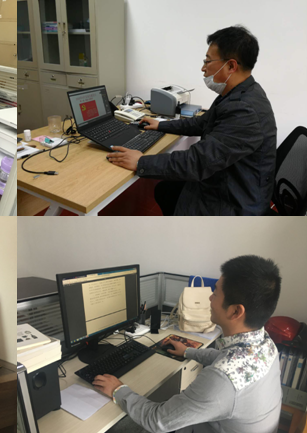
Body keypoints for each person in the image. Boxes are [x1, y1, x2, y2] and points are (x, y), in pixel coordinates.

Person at [92, 255, 282, 433]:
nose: (210, 297)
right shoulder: (266, 345)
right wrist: (188, 352)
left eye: (215, 293)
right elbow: (223, 359)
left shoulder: (222, 382)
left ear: (235, 312)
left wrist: (118, 390)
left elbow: (157, 420)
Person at [107, 26, 277, 216]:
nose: (203, 68)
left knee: (167, 190)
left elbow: (197, 163)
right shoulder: (240, 93)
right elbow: (202, 123)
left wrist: (141, 162)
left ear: (231, 66)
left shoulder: (244, 111)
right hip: (228, 181)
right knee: (165, 190)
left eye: (208, 61)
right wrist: (161, 124)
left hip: (233, 202)